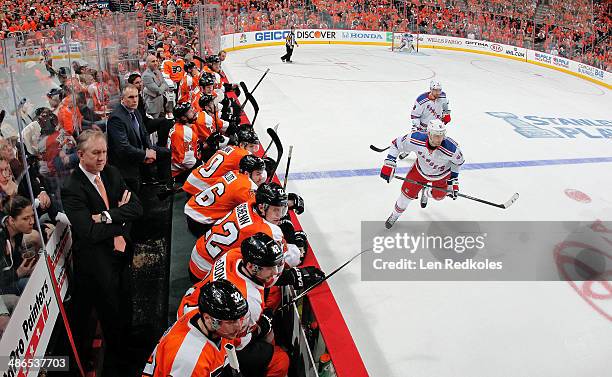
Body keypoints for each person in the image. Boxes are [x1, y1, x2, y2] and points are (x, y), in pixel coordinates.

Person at [61, 130, 143, 376]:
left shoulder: (111, 172)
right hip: (97, 263)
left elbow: (137, 207)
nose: (101, 158)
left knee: (127, 303)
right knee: (110, 314)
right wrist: (121, 219)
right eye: (96, 153)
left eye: (104, 152)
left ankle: (129, 347)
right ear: (80, 154)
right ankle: (119, 363)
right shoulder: (72, 188)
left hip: (121, 251)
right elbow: (88, 232)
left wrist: (107, 216)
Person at [189, 183, 304, 281]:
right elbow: (291, 259)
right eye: (276, 210)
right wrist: (298, 241)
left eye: (283, 209)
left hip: (199, 252)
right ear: (262, 208)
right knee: (266, 273)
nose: (280, 216)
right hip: (206, 272)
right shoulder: (269, 231)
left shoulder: (249, 203)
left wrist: (286, 201)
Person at [142, 279, 248, 377]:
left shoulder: (203, 317)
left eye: (239, 318)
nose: (239, 326)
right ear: (208, 319)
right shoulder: (189, 359)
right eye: (231, 321)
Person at [380, 119, 464, 229]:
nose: (439, 139)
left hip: (442, 175)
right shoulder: (416, 138)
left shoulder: (452, 149)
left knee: (438, 197)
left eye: (442, 135)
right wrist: (389, 163)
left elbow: (457, 163)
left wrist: (453, 180)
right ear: (428, 133)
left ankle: (426, 192)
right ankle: (394, 215)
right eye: (436, 135)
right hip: (419, 172)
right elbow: (396, 144)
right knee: (405, 197)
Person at [107, 85, 171, 193]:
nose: (135, 100)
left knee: (165, 153)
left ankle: (164, 186)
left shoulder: (135, 111)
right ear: (122, 99)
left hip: (139, 150)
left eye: (136, 96)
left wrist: (150, 150)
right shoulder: (116, 118)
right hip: (127, 158)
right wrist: (144, 154)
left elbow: (144, 133)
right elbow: (123, 147)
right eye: (131, 97)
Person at [184, 155, 266, 238]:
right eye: (258, 174)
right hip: (200, 222)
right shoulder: (246, 187)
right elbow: (262, 209)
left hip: (193, 207)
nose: (261, 177)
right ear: (247, 173)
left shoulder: (234, 172)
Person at [183, 127, 259, 197]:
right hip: (200, 189)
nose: (253, 150)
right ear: (242, 144)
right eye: (251, 146)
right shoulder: (243, 155)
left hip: (193, 179)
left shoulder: (230, 148)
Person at [0, 196, 39, 296]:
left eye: (32, 216)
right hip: (3, 288)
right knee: (33, 284)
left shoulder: (18, 232)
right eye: (26, 218)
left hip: (11, 277)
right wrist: (18, 273)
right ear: (11, 220)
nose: (32, 222)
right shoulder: (1, 239)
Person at [127, 72, 173, 147]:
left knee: (167, 122)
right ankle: (160, 147)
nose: (140, 84)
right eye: (137, 83)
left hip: (145, 120)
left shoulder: (140, 94)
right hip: (139, 126)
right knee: (164, 122)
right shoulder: (132, 97)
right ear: (131, 85)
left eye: (140, 81)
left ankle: (161, 146)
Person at [168, 102, 200, 183]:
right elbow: (186, 161)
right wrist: (201, 165)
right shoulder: (183, 132)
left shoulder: (187, 127)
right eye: (190, 111)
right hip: (180, 173)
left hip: (186, 164)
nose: (193, 111)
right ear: (183, 118)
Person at [141, 54, 170, 119]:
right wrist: (163, 86)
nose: (156, 63)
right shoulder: (146, 75)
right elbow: (159, 91)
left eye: (156, 61)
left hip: (161, 105)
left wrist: (162, 86)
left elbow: (166, 86)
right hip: (152, 108)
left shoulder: (158, 72)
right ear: (147, 63)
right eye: (153, 61)